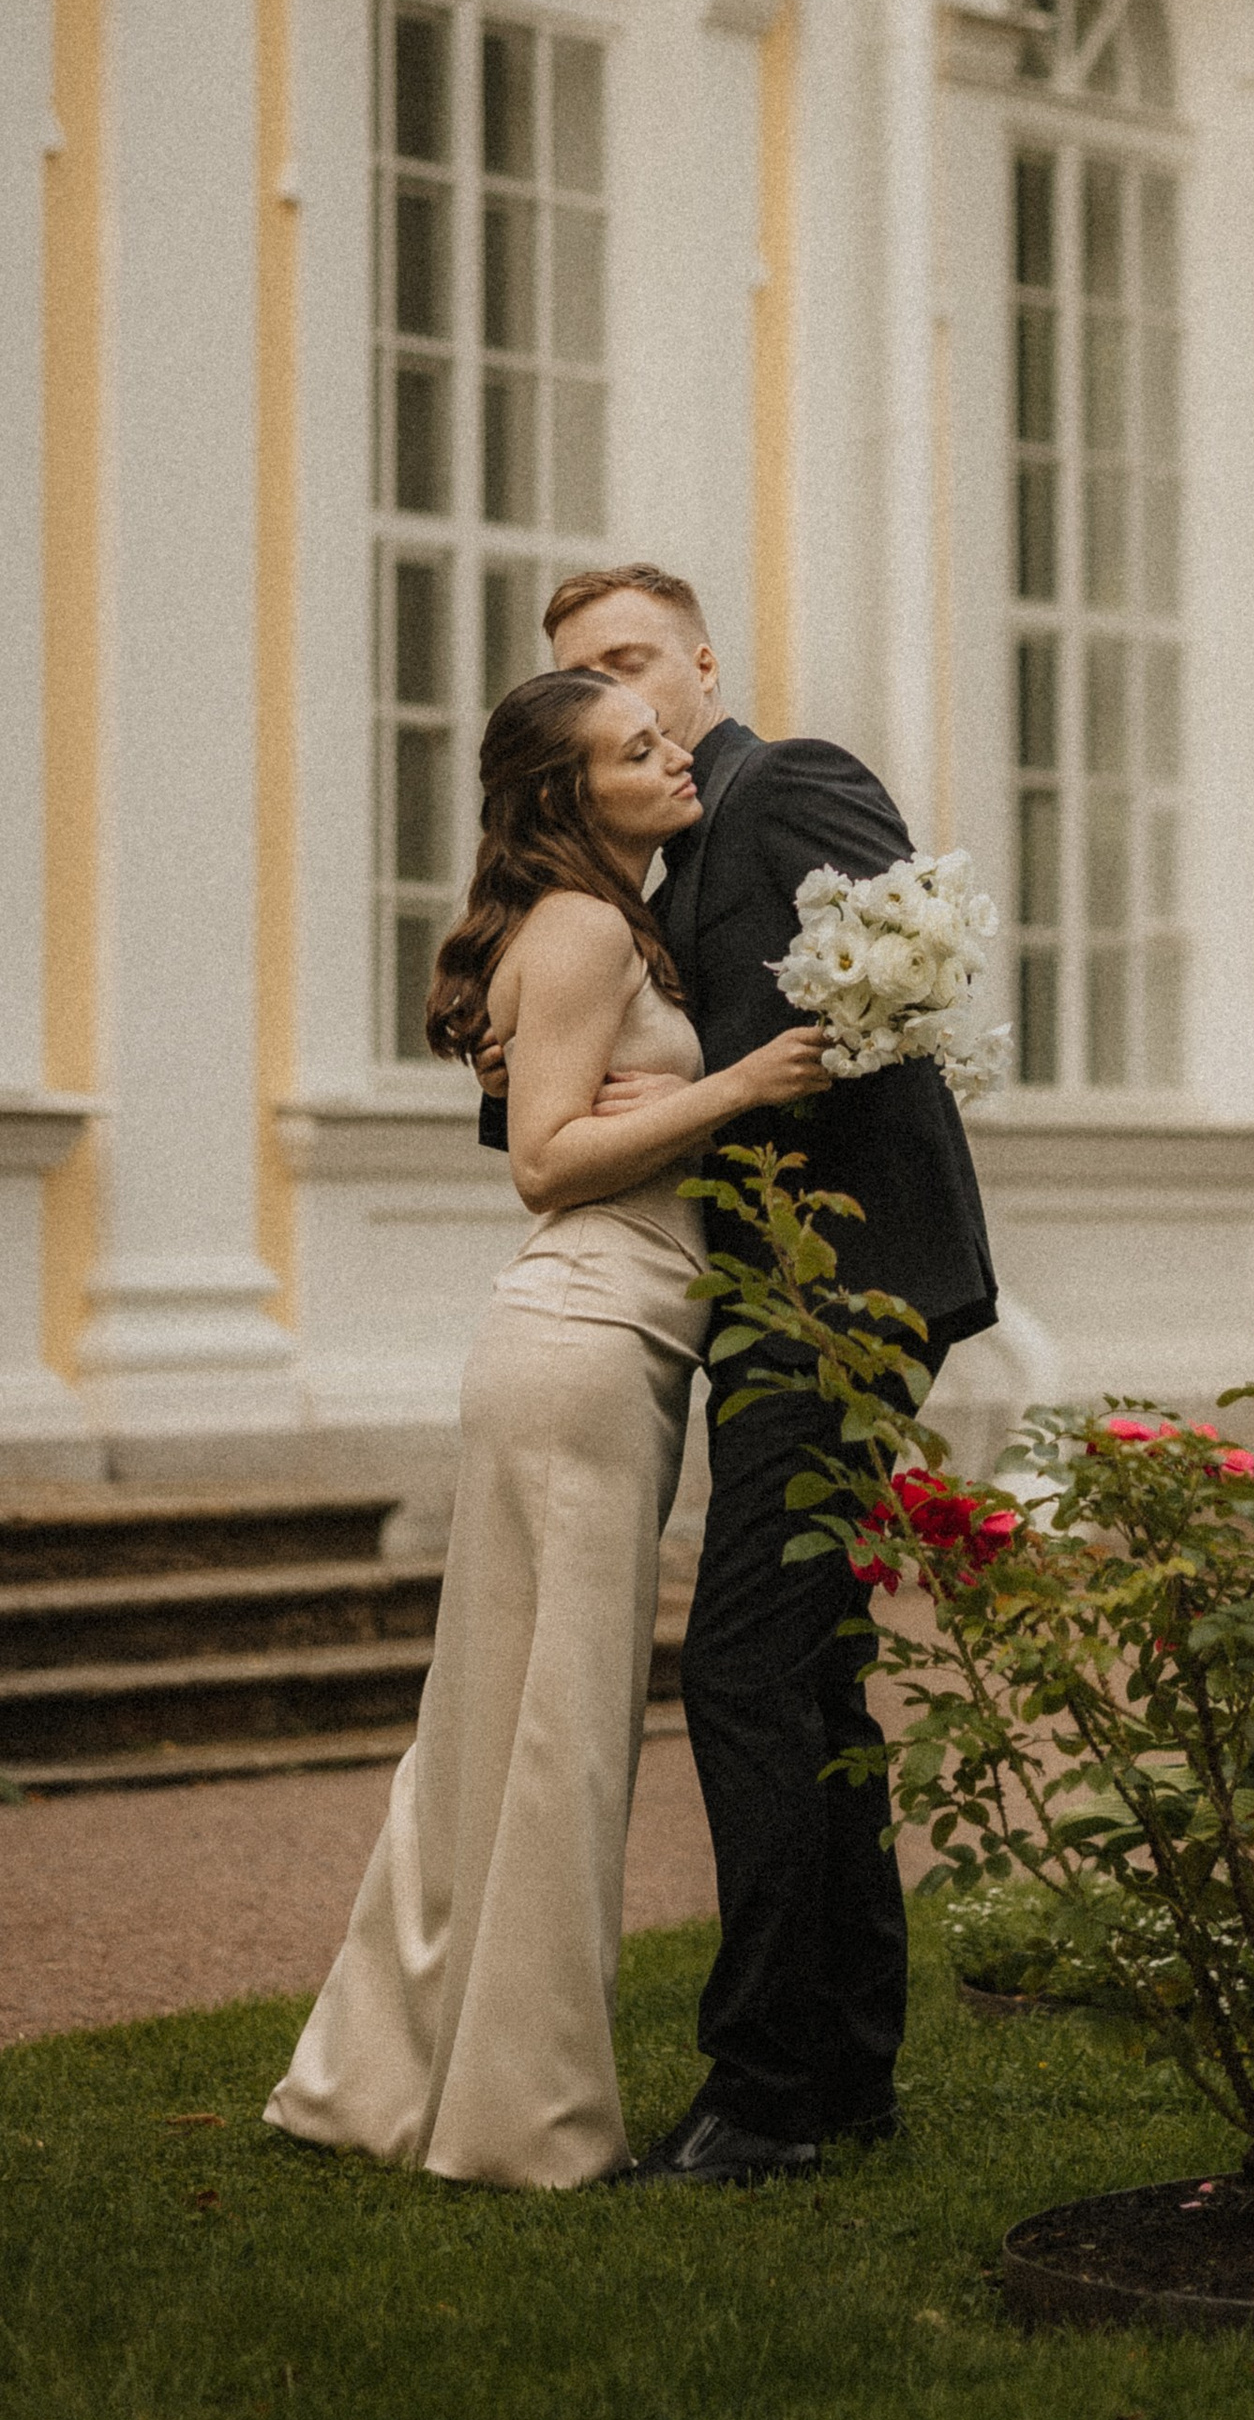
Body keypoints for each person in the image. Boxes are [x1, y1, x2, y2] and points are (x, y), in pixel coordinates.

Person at [264, 673, 833, 2190]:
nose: (673, 757)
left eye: (666, 734)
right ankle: (526, 2121)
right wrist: (742, 1081)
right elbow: (544, 1163)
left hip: (588, 1353)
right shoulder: (583, 930)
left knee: (496, 1730)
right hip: (582, 1345)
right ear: (572, 798)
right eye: (634, 751)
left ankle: (382, 2083)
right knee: (559, 1747)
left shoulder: (598, 919)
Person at [531, 565, 999, 2189]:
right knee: (798, 1670)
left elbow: (910, 966)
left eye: (637, 657)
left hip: (852, 1283)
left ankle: (771, 2096)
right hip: (777, 1290)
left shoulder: (784, 781)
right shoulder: (645, 871)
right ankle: (838, 2078)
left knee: (741, 1667)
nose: (626, 693)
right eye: (592, 678)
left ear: (702, 662)